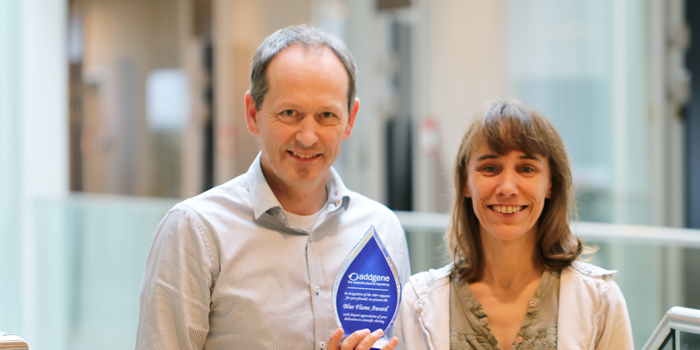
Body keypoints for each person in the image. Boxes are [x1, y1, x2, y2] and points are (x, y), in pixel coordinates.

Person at [136, 25, 409, 350]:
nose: (308, 136)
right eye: (290, 113)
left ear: (350, 120)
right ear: (253, 113)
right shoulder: (196, 232)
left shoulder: (381, 229)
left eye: (326, 115)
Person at [394, 99, 634, 350]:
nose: (507, 188)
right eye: (490, 168)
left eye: (527, 168)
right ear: (466, 182)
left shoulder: (601, 299)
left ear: (550, 184)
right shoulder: (417, 301)